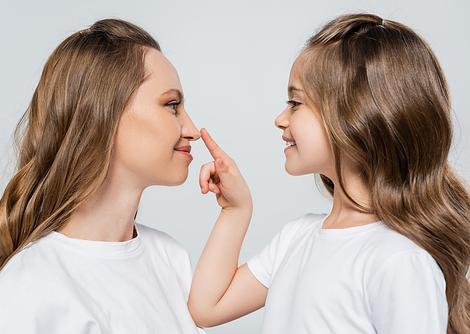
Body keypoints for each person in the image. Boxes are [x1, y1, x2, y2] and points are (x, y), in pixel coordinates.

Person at [188, 13, 470, 334]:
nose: (281, 118)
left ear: (358, 117)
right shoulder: (297, 237)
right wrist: (235, 210)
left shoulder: (399, 259)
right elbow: (206, 309)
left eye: (295, 102)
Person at [0, 19, 204, 333]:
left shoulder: (170, 257)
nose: (192, 130)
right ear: (102, 112)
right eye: (172, 105)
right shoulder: (28, 292)